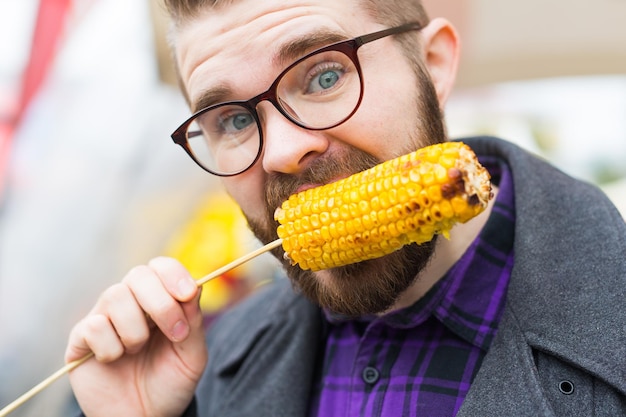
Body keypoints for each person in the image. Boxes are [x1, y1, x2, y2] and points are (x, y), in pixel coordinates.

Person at [64, 0, 626, 416]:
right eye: (234, 121)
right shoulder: (207, 372)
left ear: (432, 66)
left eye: (324, 76)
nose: (283, 152)